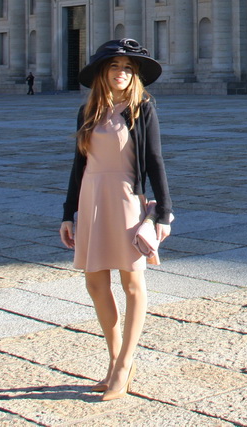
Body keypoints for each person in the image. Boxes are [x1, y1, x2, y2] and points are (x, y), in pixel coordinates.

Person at [60, 38, 172, 401]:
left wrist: (164, 213)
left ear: (134, 74)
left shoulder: (143, 109)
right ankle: (112, 358)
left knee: (133, 284)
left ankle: (126, 363)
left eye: (127, 67)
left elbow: (155, 161)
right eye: (114, 67)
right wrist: (68, 214)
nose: (121, 73)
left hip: (125, 200)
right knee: (95, 282)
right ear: (102, 73)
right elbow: (79, 165)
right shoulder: (88, 111)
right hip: (92, 198)